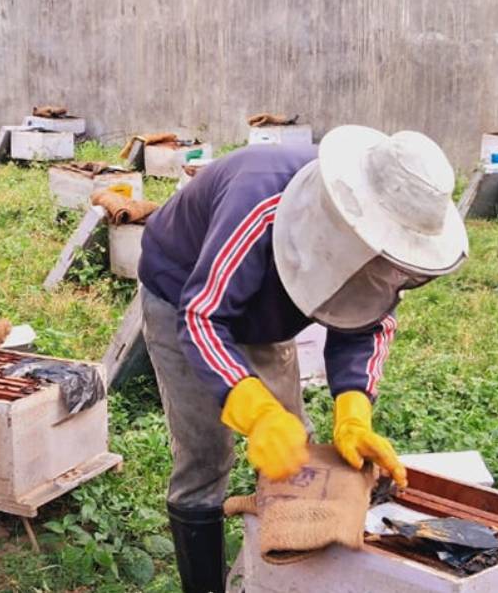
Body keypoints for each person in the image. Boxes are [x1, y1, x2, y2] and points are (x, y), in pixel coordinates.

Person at [137, 125, 469, 593]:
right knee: (206, 454)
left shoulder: (378, 244)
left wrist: (353, 415)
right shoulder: (258, 201)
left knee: (296, 455)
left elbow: (365, 322)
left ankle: (268, 579)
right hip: (183, 293)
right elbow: (203, 316)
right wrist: (256, 412)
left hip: (261, 315)